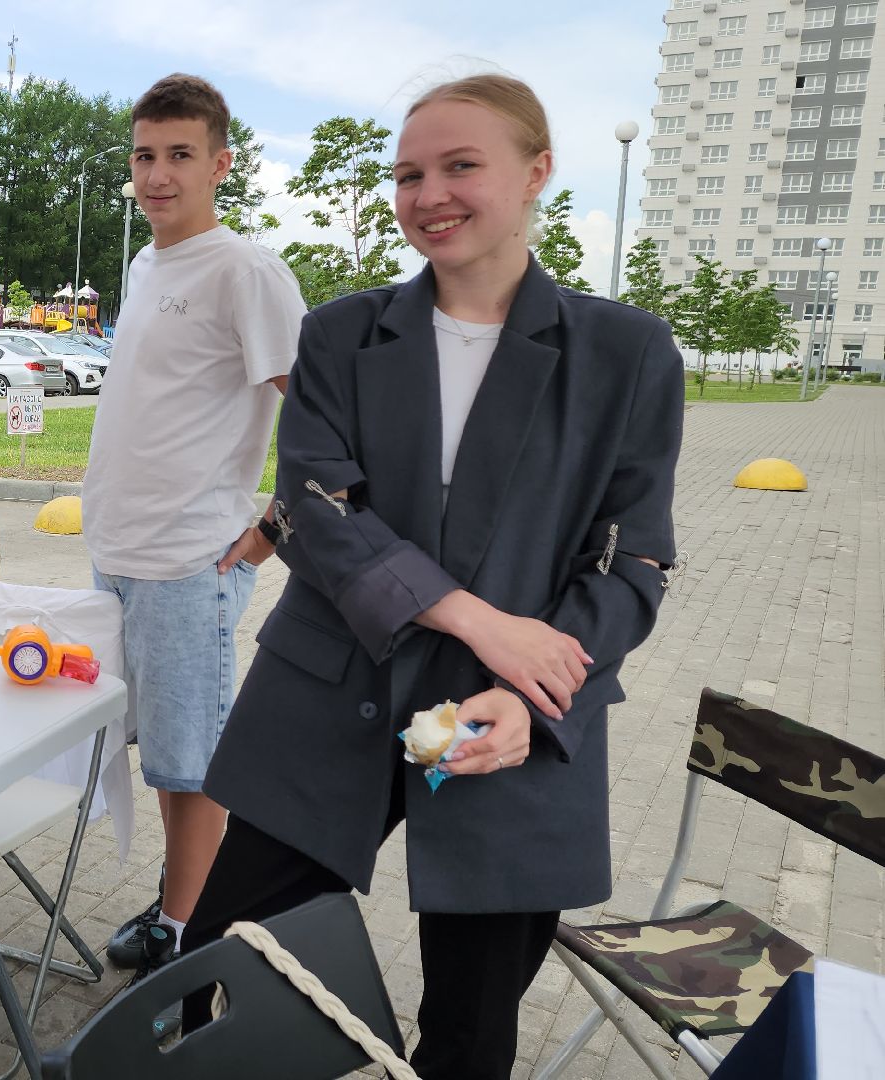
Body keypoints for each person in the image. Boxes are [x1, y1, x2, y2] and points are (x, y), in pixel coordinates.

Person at [185, 74, 684, 1079]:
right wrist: (482, 623)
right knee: (216, 979)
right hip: (330, 694)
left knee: (467, 1035)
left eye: (461, 166)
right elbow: (318, 514)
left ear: (537, 172)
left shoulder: (625, 353)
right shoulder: (340, 334)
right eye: (409, 174)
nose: (428, 195)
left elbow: (635, 558)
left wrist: (526, 688)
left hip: (512, 721)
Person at [81, 73, 306, 992]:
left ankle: (188, 940)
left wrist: (275, 528)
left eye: (180, 155)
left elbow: (323, 417)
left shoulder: (246, 271)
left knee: (191, 767)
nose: (158, 174)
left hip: (188, 560)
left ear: (221, 163)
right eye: (145, 155)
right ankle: (181, 906)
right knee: (159, 757)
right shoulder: (144, 265)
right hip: (119, 553)